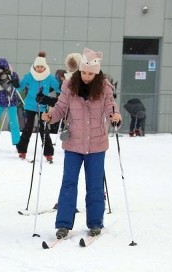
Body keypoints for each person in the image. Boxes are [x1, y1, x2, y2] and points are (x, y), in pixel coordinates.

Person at [42, 48, 121, 239]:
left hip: (96, 145)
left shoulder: (104, 88)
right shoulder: (70, 87)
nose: (86, 77)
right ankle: (63, 224)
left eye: (91, 74)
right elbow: (60, 108)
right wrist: (51, 116)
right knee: (68, 183)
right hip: (74, 144)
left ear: (97, 73)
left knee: (94, 185)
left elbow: (111, 109)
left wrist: (115, 117)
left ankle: (95, 223)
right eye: (84, 72)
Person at [16, 52, 61, 162]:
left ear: (45, 67)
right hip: (30, 105)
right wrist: (15, 84)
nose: (40, 69)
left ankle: (48, 153)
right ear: (34, 66)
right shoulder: (29, 76)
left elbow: (58, 88)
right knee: (28, 128)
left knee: (43, 129)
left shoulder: (49, 77)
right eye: (38, 66)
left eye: (41, 67)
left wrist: (64, 85)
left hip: (43, 105)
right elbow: (20, 87)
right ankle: (22, 150)